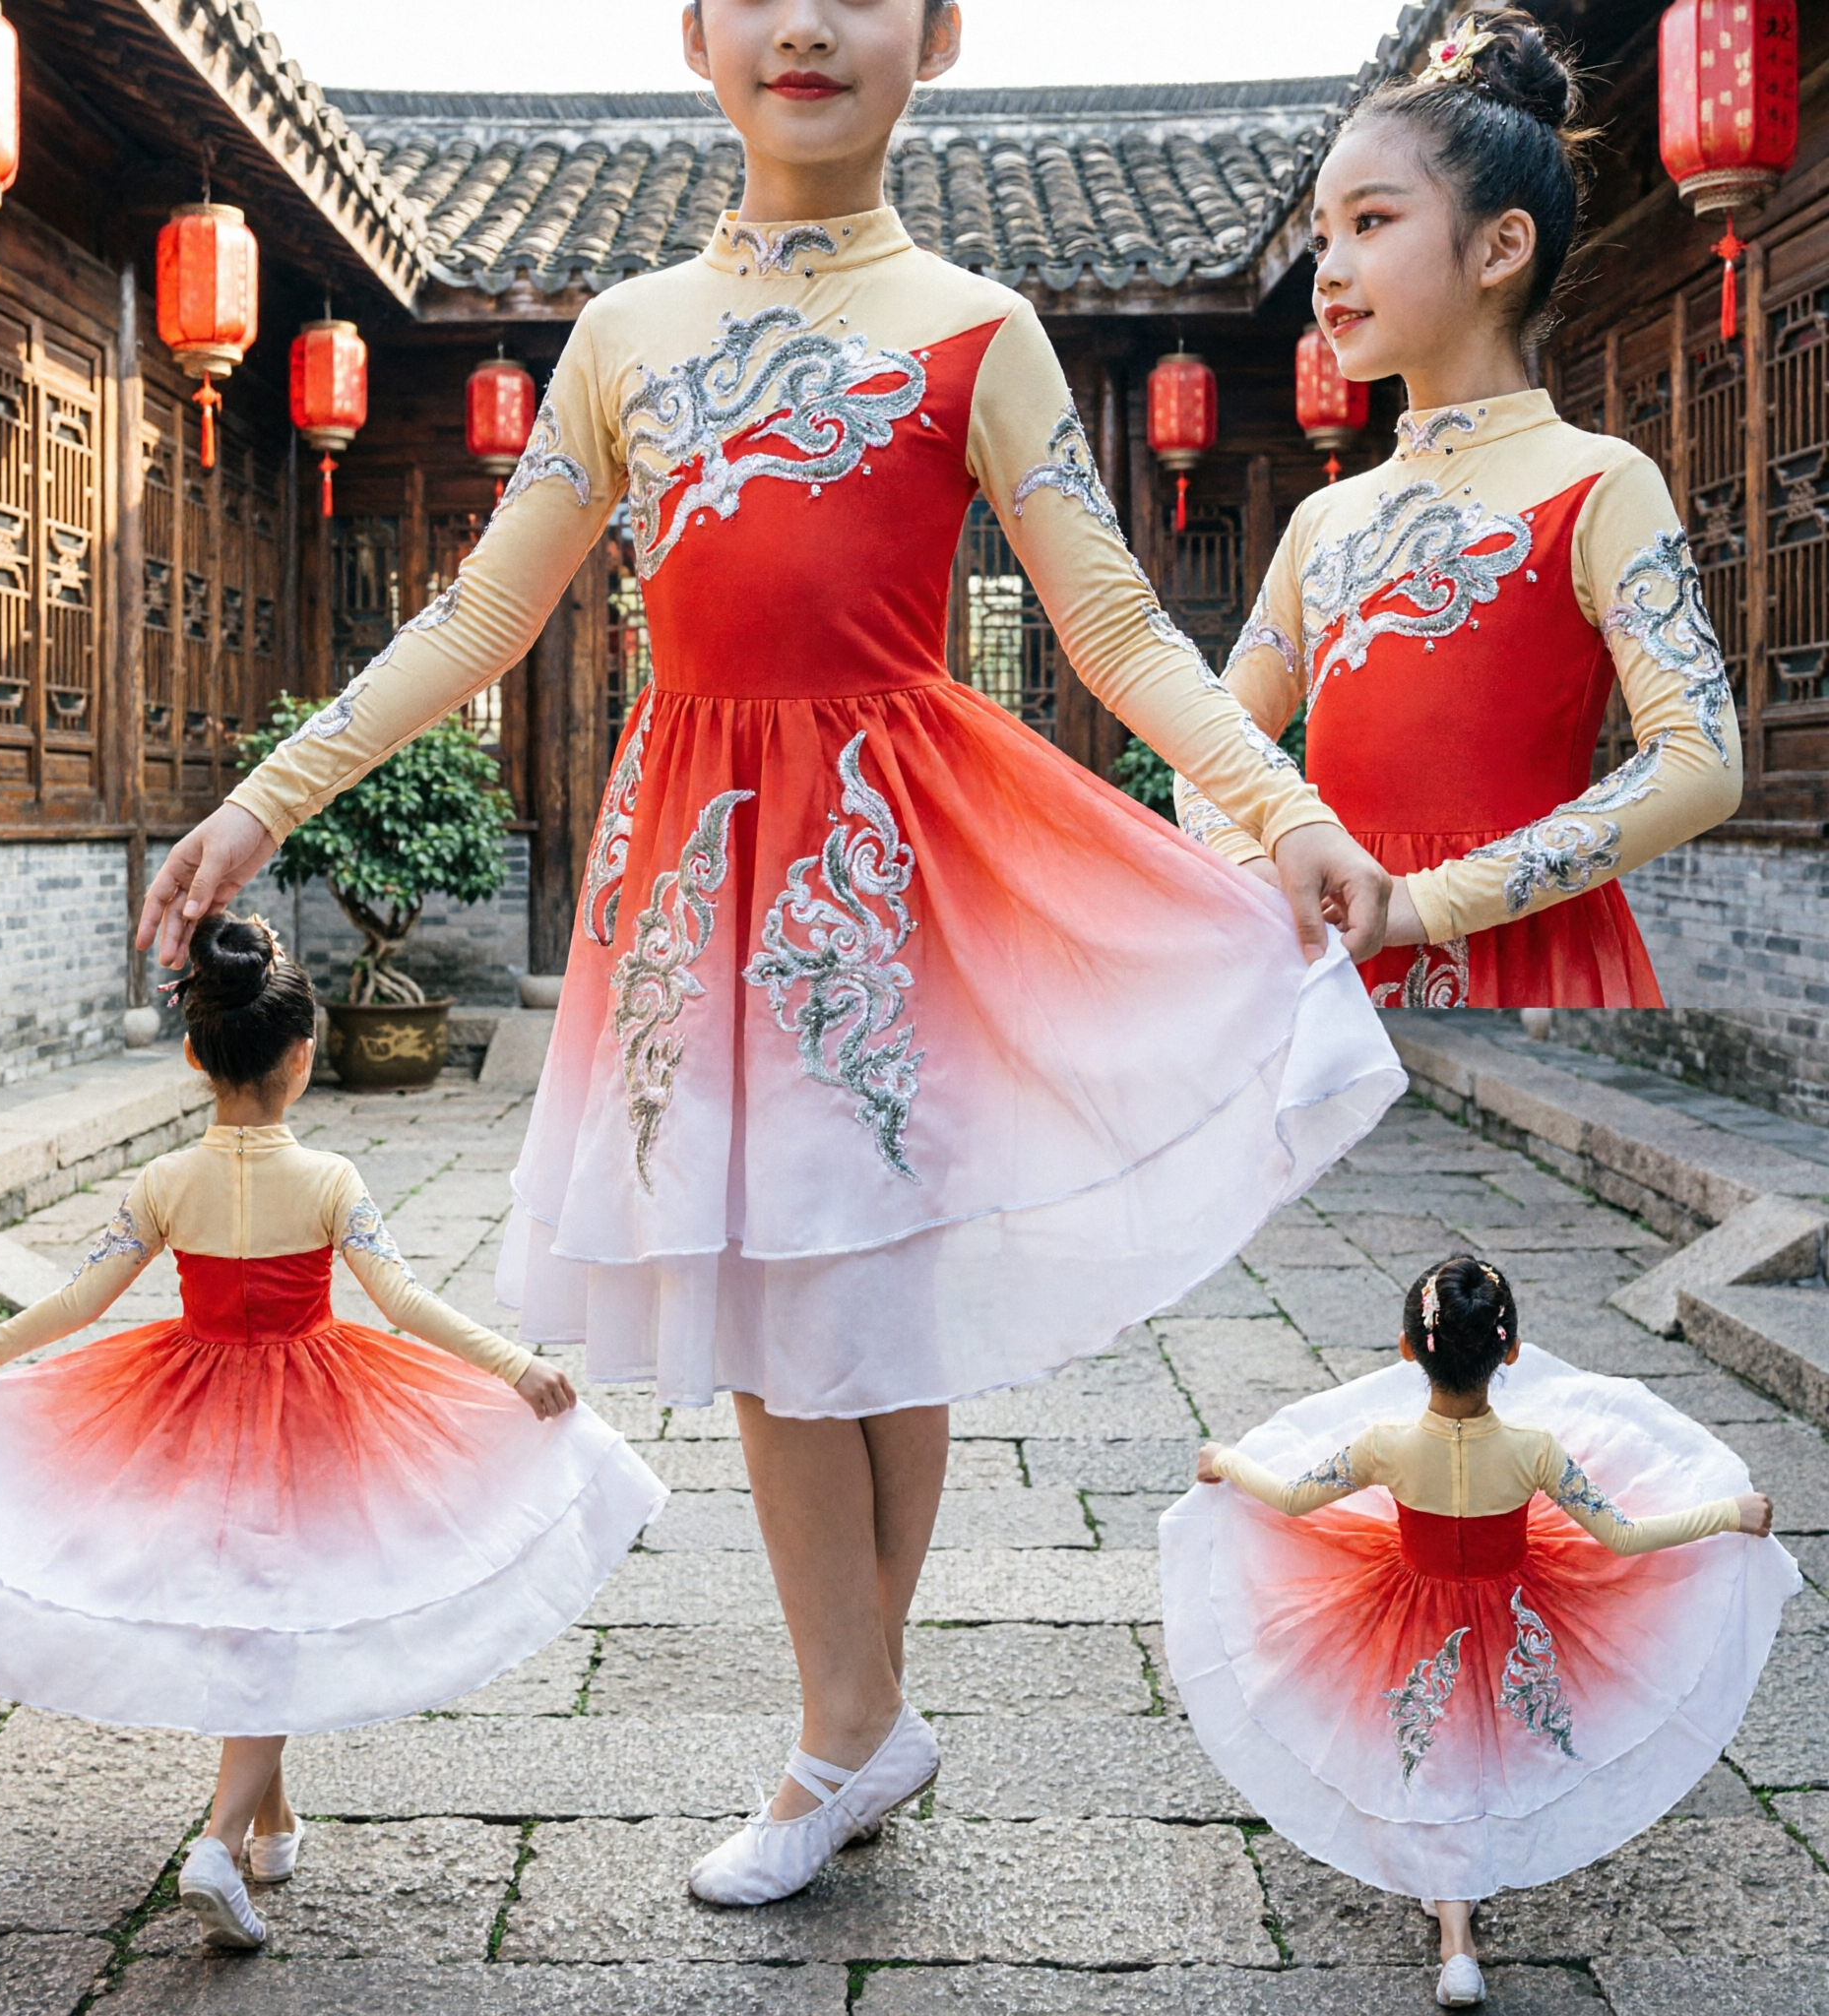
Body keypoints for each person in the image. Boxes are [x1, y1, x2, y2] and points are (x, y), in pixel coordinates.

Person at [137, 0, 1408, 1906]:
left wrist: (1285, 811)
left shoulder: (980, 331)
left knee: (857, 1310)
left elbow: (1120, 629)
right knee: (783, 1298)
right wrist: (268, 799)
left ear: (939, 36)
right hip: (697, 862)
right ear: (696, 35)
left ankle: (842, 1731)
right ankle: (856, 1721)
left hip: (893, 867)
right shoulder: (624, 334)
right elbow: (484, 620)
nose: (805, 23)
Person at [0, 916, 665, 1952]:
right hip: (311, 1405)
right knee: (272, 1612)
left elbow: (78, 1296)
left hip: (181, 1403)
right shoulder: (329, 1179)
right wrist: (516, 1365)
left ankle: (273, 1827)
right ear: (304, 1055)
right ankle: (217, 1837)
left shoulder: (164, 1183)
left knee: (252, 1604)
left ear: (194, 1052)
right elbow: (403, 1300)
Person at [1173, 9, 1743, 1008]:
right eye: (1320, 237)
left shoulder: (1599, 482)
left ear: (1499, 247)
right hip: (1321, 960)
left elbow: (1698, 759)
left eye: (1370, 221)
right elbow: (1211, 741)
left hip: (1520, 959)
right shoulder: (1323, 521)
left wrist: (1421, 906)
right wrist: (1260, 867)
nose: (1328, 270)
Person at [1163, 1253, 1797, 2009]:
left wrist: (1224, 1461)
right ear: (1511, 1353)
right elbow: (1624, 1537)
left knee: (1435, 1755)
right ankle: (1460, 1921)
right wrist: (1729, 1514)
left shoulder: (1383, 1446)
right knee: (1492, 1747)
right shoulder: (1536, 1451)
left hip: (1407, 1612)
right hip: (1522, 1612)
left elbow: (1294, 1499)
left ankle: (1455, 1938)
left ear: (1408, 1351)